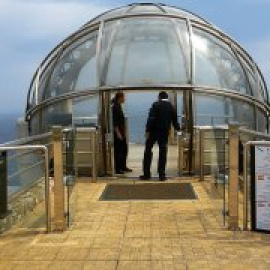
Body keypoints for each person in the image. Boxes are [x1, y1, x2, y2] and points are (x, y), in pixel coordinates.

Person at [140, 91, 180, 181]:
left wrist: (147, 130)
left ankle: (146, 174)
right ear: (167, 97)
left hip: (153, 131)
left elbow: (151, 118)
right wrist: (179, 129)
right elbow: (175, 121)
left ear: (159, 97)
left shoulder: (155, 104)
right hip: (164, 132)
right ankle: (162, 175)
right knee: (163, 152)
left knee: (148, 151)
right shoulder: (171, 107)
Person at [112, 92, 132, 174]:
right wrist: (118, 133)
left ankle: (123, 166)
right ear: (120, 97)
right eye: (124, 97)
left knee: (124, 150)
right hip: (118, 133)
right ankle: (118, 168)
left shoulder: (119, 106)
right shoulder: (115, 107)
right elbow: (115, 122)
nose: (125, 99)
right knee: (118, 151)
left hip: (122, 132)